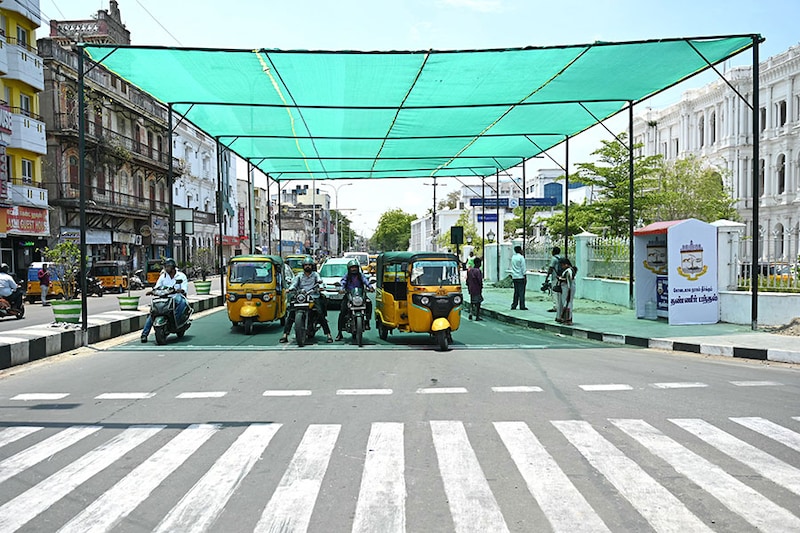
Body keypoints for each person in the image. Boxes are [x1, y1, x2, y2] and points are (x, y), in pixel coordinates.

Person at [280, 256, 333, 343]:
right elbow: (294, 284)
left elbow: (320, 282)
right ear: (303, 266)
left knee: (320, 313)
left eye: (309, 265)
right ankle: (285, 335)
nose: (307, 267)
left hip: (313, 296)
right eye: (306, 265)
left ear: (312, 266)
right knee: (291, 313)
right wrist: (289, 289)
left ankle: (328, 335)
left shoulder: (315, 275)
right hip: (301, 297)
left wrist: (320, 287)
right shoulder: (299, 276)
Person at [141, 258, 189, 343]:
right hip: (164, 297)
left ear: (173, 267)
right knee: (153, 312)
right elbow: (157, 286)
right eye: (165, 267)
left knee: (182, 302)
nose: (166, 268)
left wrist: (180, 290)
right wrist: (152, 291)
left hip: (176, 296)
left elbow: (184, 288)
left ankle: (178, 323)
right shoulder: (163, 277)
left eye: (168, 267)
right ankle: (144, 334)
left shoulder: (181, 276)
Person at [335, 259, 374, 341]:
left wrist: (370, 287)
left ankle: (367, 321)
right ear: (349, 269)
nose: (354, 269)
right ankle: (339, 333)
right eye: (352, 268)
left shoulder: (361, 275)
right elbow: (343, 282)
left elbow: (366, 281)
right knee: (342, 311)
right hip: (349, 295)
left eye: (355, 267)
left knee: (369, 303)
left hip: (360, 296)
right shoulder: (347, 276)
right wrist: (341, 289)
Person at [555, 256, 575, 325]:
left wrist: (560, 279)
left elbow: (569, 280)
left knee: (567, 303)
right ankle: (565, 318)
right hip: (565, 289)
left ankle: (568, 319)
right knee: (564, 303)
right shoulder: (568, 270)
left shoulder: (569, 271)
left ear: (566, 264)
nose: (561, 266)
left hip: (567, 289)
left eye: (562, 265)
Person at [510, 245, 528, 310]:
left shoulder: (513, 257)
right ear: (520, 250)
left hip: (514, 276)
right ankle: (522, 305)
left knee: (516, 292)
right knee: (521, 292)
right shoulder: (521, 258)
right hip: (520, 276)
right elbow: (523, 268)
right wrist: (525, 276)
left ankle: (514, 304)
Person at [544, 246, 562, 312]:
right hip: (561, 277)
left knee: (554, 292)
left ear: (553, 252)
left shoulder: (554, 259)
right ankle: (560, 306)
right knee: (560, 293)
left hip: (555, 277)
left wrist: (547, 277)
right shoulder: (561, 258)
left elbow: (551, 268)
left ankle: (555, 307)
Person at [466, 256, 483, 320]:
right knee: (478, 302)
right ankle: (477, 316)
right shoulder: (478, 271)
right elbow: (479, 280)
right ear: (478, 263)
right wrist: (481, 287)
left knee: (472, 301)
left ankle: (471, 313)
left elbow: (467, 280)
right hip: (477, 289)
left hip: (471, 288)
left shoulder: (470, 271)